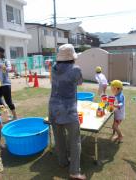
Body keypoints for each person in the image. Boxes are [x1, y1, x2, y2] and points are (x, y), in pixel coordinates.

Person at [49, 44, 86, 180]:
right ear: (72, 57)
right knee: (75, 140)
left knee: (59, 139)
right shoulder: (75, 69)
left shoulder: (53, 68)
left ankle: (63, 162)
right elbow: (80, 82)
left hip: (53, 108)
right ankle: (74, 172)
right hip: (68, 110)